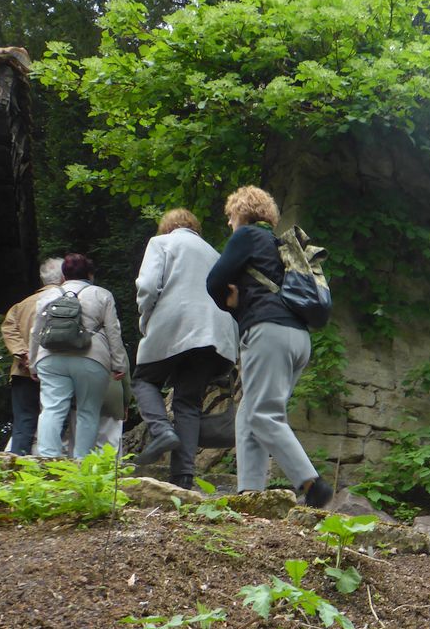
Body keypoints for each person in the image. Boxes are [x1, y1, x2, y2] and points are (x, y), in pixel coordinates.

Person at [206, 186, 332, 507]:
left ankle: (310, 483)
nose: (230, 224)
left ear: (240, 213)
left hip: (268, 332)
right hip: (298, 338)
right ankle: (249, 492)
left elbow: (214, 281)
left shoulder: (246, 236)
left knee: (263, 414)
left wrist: (231, 302)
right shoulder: (280, 246)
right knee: (249, 414)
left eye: (230, 217)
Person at [133, 208, 239, 489]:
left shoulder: (162, 243)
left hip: (175, 326)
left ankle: (161, 430)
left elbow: (147, 287)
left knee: (144, 379)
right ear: (196, 228)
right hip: (215, 336)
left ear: (166, 227)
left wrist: (146, 321)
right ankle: (182, 478)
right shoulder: (216, 255)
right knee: (187, 402)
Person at [29, 254, 127, 459]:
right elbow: (113, 331)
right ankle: (81, 463)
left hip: (51, 357)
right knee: (88, 412)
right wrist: (119, 363)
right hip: (92, 357)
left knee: (52, 408)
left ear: (63, 275)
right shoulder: (102, 294)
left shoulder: (48, 295)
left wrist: (33, 363)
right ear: (90, 274)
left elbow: (36, 331)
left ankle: (47, 459)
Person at [0, 257, 63, 454]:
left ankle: (15, 465)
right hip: (57, 368)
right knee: (56, 417)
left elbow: (8, 329)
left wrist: (24, 354)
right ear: (63, 277)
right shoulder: (69, 300)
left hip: (23, 370)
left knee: (24, 420)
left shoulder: (21, 305)